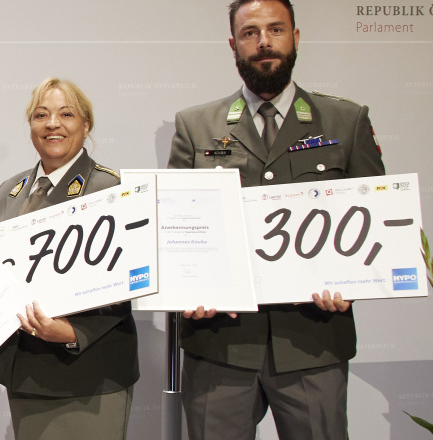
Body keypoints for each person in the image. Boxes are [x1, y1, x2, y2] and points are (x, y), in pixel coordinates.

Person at [168, 1, 384, 438]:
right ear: (233, 45)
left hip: (313, 342)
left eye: (275, 30)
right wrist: (189, 287)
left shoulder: (347, 119)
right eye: (250, 33)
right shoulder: (195, 126)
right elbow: (177, 226)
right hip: (219, 345)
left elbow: (373, 220)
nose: (263, 42)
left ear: (295, 37)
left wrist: (354, 284)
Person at [0, 78, 135, 440]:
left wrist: (71, 333)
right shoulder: (9, 192)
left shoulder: (112, 190)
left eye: (66, 114)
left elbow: (130, 281)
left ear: (86, 125)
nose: (53, 124)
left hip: (91, 375)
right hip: (25, 374)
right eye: (41, 115)